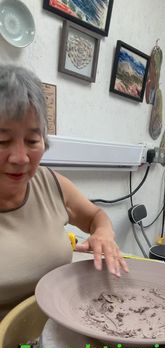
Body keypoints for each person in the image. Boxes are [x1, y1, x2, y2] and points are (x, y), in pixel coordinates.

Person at [0, 65, 128, 319]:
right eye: (2, 141)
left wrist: (103, 233)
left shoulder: (50, 184)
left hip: (58, 328)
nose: (20, 158)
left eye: (32, 141)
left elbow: (95, 216)